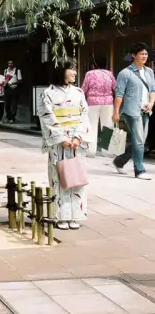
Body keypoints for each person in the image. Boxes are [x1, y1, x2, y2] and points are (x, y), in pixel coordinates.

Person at [38, 60, 90, 230]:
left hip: (76, 141)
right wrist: (62, 138)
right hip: (59, 141)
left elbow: (84, 115)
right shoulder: (48, 93)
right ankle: (60, 216)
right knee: (58, 177)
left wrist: (78, 137)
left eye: (75, 69)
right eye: (71, 69)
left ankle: (76, 215)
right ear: (61, 71)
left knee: (76, 176)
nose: (75, 73)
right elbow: (47, 117)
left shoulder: (79, 92)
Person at [113, 42, 155, 179]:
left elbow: (152, 90)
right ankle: (139, 170)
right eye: (141, 54)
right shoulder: (125, 73)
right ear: (133, 55)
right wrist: (115, 112)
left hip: (145, 111)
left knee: (140, 141)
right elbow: (119, 94)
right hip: (132, 111)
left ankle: (119, 161)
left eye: (146, 54)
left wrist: (151, 103)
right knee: (139, 141)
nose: (144, 56)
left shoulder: (149, 72)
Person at [81, 59, 116, 156]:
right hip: (108, 102)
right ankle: (107, 151)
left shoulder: (89, 74)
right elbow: (115, 87)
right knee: (107, 126)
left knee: (92, 126)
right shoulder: (110, 74)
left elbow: (84, 88)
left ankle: (91, 151)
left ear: (93, 64)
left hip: (93, 102)